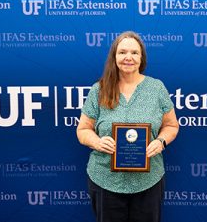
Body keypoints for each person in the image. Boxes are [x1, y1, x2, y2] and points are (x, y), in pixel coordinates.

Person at [77, 31, 179, 222]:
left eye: (134, 52)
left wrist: (161, 141)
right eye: (122, 52)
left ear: (142, 58)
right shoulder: (99, 89)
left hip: (148, 181)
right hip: (104, 179)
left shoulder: (156, 88)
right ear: (114, 57)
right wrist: (97, 142)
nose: (128, 57)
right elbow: (82, 130)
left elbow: (171, 125)